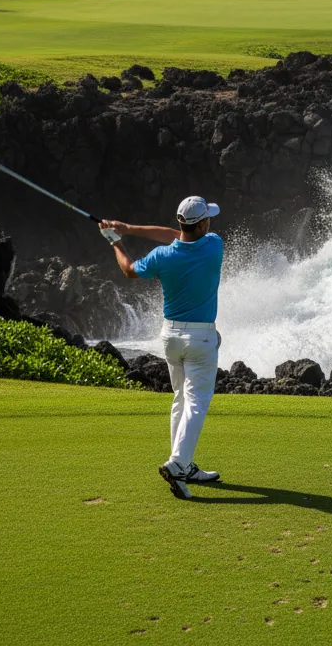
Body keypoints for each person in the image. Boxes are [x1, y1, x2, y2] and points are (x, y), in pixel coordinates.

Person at [99, 196, 224, 500]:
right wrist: (126, 229)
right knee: (196, 402)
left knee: (180, 399)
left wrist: (117, 239)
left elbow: (129, 269)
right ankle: (178, 463)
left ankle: (184, 465)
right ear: (204, 224)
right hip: (200, 339)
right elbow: (179, 236)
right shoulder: (214, 245)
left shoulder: (162, 256)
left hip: (170, 337)